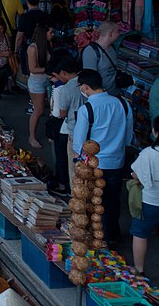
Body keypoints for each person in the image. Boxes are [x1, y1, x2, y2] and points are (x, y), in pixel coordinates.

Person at [73, 69, 133, 243]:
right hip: (117, 160)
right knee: (113, 200)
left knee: (93, 201)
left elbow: (79, 142)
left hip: (94, 163)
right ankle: (112, 235)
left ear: (85, 87)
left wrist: (78, 158)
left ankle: (97, 237)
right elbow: (128, 135)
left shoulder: (87, 109)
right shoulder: (122, 103)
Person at [131, 115, 159, 273]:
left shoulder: (149, 153)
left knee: (140, 233)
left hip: (150, 202)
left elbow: (136, 174)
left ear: (155, 132)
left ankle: (139, 269)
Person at [47, 52, 82, 194]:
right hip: (84, 130)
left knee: (66, 161)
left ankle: (67, 189)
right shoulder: (85, 81)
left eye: (56, 75)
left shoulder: (66, 88)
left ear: (63, 72)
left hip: (69, 129)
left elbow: (60, 113)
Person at [25, 22, 53, 149]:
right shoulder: (32, 48)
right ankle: (32, 137)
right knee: (39, 110)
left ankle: (50, 134)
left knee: (53, 109)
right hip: (36, 82)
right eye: (50, 32)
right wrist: (49, 69)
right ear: (44, 34)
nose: (52, 35)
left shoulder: (48, 45)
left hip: (48, 80)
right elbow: (33, 68)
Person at [81, 20, 120, 95]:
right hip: (102, 96)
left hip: (114, 93)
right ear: (110, 34)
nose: (119, 34)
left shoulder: (112, 48)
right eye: (117, 32)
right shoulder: (91, 51)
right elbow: (90, 79)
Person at [14, 0, 48, 74]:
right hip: (44, 46)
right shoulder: (46, 15)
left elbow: (19, 36)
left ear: (27, 1)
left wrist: (16, 51)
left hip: (28, 46)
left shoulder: (24, 17)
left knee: (29, 71)